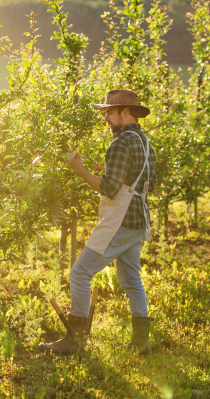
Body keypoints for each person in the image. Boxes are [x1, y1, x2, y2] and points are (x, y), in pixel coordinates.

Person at [38, 89, 157, 355]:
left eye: (109, 112)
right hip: (139, 221)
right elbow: (150, 182)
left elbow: (110, 189)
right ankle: (141, 344)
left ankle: (75, 340)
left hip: (120, 222)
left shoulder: (119, 143)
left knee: (80, 273)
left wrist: (80, 171)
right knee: (131, 279)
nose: (106, 117)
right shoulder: (145, 142)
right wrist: (114, 173)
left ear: (125, 113)